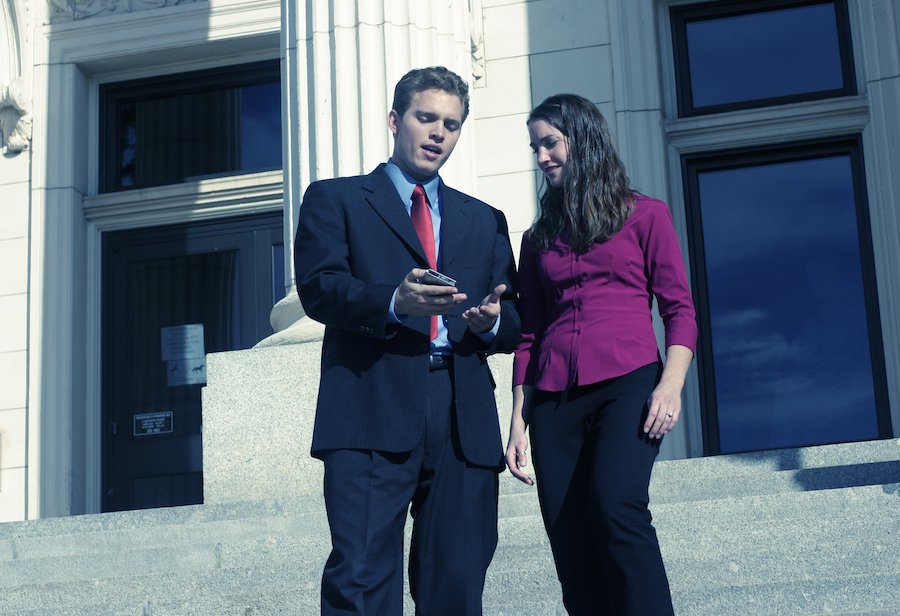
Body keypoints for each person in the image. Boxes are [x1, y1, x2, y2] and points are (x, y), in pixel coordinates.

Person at [294, 66, 521, 616]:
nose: (438, 133)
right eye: (426, 118)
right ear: (396, 121)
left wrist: (490, 321)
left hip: (461, 413)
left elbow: (515, 320)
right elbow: (320, 290)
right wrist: (395, 302)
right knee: (361, 581)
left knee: (458, 586)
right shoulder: (335, 200)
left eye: (451, 124)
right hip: (371, 402)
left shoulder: (485, 219)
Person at [505, 94, 697, 615]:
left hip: (629, 383)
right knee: (568, 537)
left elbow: (680, 310)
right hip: (552, 400)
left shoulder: (645, 216)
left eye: (550, 143)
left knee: (618, 507)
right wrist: (518, 421)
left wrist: (670, 384)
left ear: (582, 140)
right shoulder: (537, 238)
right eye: (535, 147)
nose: (542, 156)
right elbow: (530, 334)